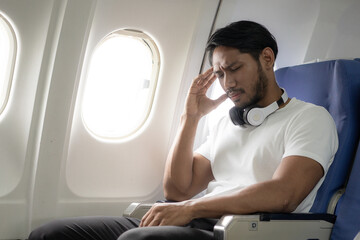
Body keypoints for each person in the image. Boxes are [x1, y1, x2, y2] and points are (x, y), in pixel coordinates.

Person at [28, 20, 338, 240]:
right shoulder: (225, 121)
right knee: (51, 234)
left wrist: (192, 208)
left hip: (241, 233)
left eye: (234, 68)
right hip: (199, 221)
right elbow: (177, 190)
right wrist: (190, 119)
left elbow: (284, 194)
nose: (226, 83)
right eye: (219, 73)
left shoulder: (309, 118)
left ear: (267, 59)